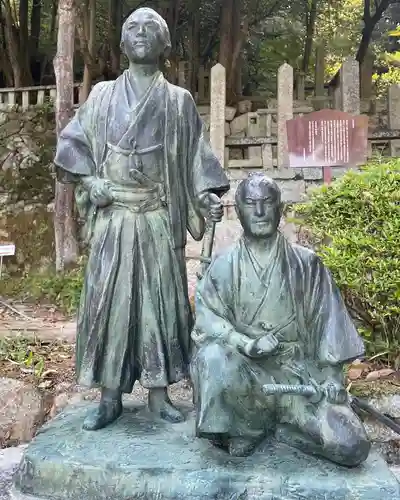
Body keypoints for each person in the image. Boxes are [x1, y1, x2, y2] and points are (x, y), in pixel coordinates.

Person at [54, 7, 229, 431]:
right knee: (108, 305)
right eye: (132, 26)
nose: (141, 32)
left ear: (165, 45)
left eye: (152, 27)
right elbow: (71, 146)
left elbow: (194, 158)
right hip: (114, 216)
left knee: (159, 307)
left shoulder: (177, 101)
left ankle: (158, 394)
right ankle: (109, 396)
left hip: (156, 216)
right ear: (121, 42)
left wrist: (204, 197)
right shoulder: (100, 97)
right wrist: (91, 181)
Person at [190, 173, 371, 467]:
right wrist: (246, 345)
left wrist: (331, 379)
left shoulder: (307, 263)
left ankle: (281, 429)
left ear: (280, 209)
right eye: (250, 204)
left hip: (299, 381)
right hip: (246, 379)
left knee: (352, 447)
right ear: (238, 211)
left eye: (267, 203)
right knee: (212, 357)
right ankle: (250, 426)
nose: (259, 212)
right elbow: (207, 322)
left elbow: (330, 329)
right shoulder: (223, 266)